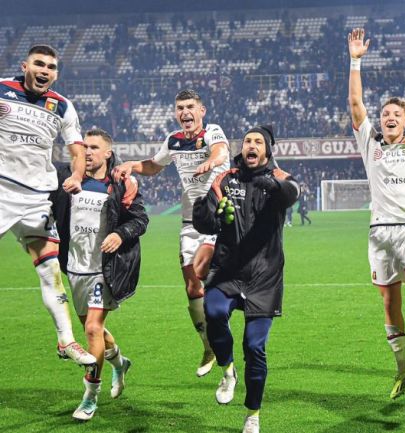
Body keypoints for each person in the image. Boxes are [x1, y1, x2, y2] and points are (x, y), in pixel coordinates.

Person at [347, 24, 405, 399]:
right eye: (384, 114)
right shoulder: (370, 143)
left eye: (395, 114)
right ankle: (402, 369)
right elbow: (356, 105)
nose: (388, 117)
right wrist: (355, 63)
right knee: (389, 299)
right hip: (380, 230)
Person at [112, 89, 230, 377]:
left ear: (201, 111)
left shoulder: (212, 131)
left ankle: (223, 330)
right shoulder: (173, 140)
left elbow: (221, 151)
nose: (185, 112)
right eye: (180, 108)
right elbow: (154, 165)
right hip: (190, 223)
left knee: (208, 275)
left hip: (218, 219)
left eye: (190, 107)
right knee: (192, 288)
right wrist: (132, 166)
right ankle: (208, 345)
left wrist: (211, 162)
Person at [193, 125, 299, 433]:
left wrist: (273, 183)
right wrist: (206, 211)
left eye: (258, 142)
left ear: (267, 150)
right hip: (227, 270)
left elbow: (291, 192)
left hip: (264, 276)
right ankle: (227, 370)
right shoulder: (227, 178)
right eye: (248, 141)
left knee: (254, 347)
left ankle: (252, 414)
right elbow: (206, 221)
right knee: (212, 312)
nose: (251, 145)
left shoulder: (277, 178)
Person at [0, 44, 96, 366]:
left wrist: (78, 175)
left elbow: (78, 149)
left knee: (51, 270)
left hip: (36, 199)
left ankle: (67, 340)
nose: (45, 71)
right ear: (24, 65)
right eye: (39, 64)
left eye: (51, 67)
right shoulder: (2, 89)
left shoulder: (62, 106)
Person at [50, 128, 148, 421]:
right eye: (84, 147)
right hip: (74, 267)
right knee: (94, 331)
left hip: (104, 269)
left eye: (94, 147)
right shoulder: (67, 179)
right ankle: (119, 362)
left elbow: (140, 218)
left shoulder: (119, 183)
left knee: (93, 328)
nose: (88, 152)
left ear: (108, 152)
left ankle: (91, 396)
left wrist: (120, 233)